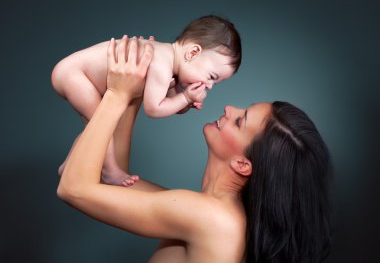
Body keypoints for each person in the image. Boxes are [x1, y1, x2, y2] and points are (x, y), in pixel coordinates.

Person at [57, 36, 332, 262]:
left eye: (240, 120)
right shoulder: (209, 211)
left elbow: (73, 188)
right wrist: (136, 89)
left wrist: (118, 95)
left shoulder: (214, 219)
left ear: (242, 164)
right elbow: (110, 179)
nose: (229, 108)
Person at [51, 15, 242, 186]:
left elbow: (168, 101)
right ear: (192, 53)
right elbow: (154, 108)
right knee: (102, 126)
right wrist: (184, 97)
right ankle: (109, 171)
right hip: (74, 75)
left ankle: (70, 165)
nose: (209, 85)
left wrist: (184, 102)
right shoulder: (160, 63)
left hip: (76, 74)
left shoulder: (167, 60)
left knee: (94, 128)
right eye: (211, 76)